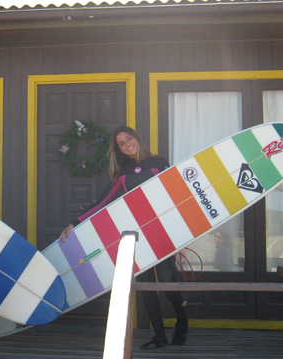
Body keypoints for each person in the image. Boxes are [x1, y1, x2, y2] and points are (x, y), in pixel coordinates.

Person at [59, 125, 189, 350]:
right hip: (141, 234)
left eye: (129, 138)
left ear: (136, 138)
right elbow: (101, 203)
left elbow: (174, 191)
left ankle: (182, 323)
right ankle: (159, 335)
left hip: (162, 230)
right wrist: (75, 222)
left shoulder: (159, 162)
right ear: (119, 150)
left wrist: (181, 228)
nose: (128, 144)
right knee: (146, 285)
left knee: (168, 282)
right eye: (121, 143)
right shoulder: (123, 175)